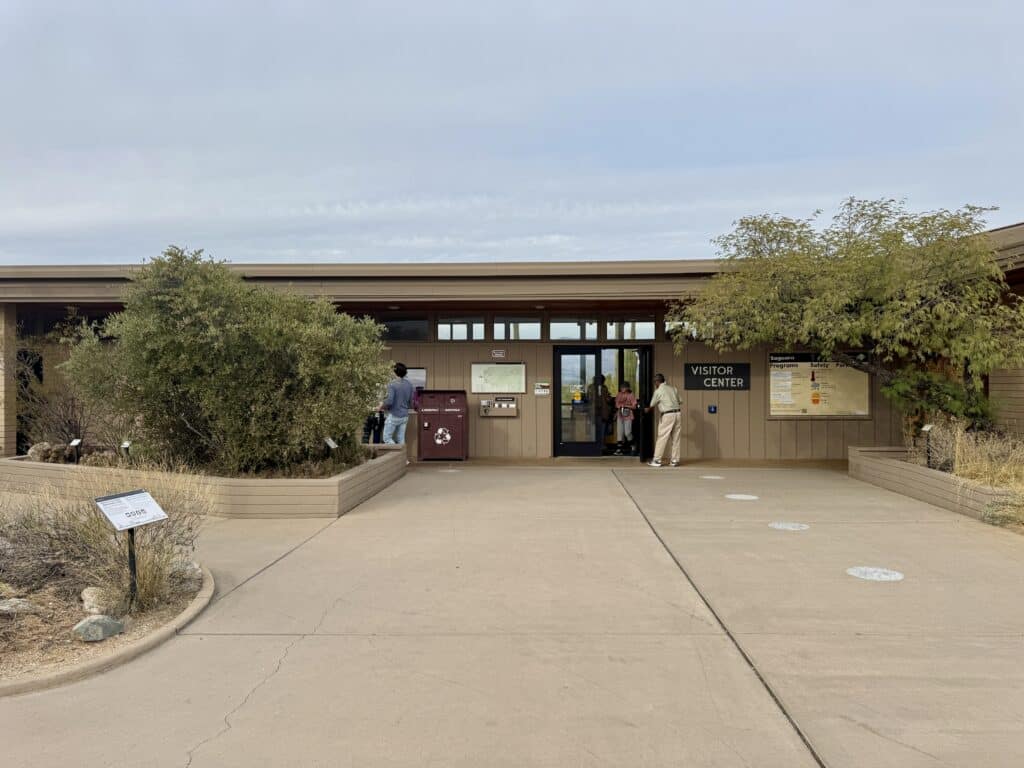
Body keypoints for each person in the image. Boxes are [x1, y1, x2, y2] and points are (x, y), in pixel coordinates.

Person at [643, 372, 682, 467]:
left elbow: (652, 405)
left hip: (667, 415)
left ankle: (656, 460)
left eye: (654, 383)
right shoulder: (673, 388)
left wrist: (645, 410)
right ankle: (675, 460)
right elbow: (680, 401)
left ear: (657, 382)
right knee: (676, 438)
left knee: (662, 437)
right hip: (678, 414)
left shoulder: (658, 391)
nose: (654, 384)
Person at [381, 362, 415, 445]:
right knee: (400, 439)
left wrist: (381, 405)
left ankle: (396, 455)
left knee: (387, 438)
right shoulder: (409, 384)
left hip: (394, 415)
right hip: (404, 416)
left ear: (395, 372)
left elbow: (389, 401)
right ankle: (402, 458)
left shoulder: (392, 384)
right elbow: (411, 402)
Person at [614, 381, 638, 456]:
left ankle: (633, 446)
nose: (622, 389)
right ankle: (619, 449)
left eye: (624, 388)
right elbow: (616, 404)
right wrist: (620, 406)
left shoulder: (631, 395)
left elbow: (634, 406)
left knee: (627, 432)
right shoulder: (619, 394)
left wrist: (626, 406)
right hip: (620, 414)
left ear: (627, 388)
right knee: (619, 432)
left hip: (628, 415)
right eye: (621, 388)